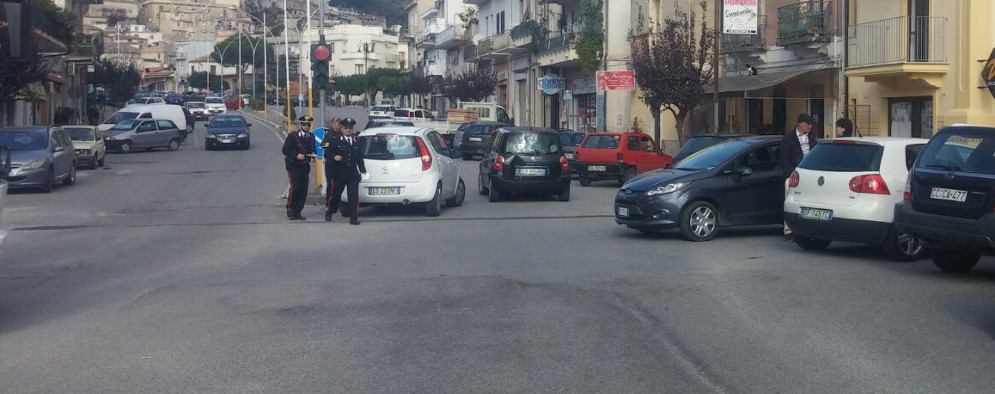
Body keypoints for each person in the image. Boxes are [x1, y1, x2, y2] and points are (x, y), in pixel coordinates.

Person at [781, 113, 818, 240]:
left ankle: (808, 229)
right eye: (808, 124)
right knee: (790, 200)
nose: (810, 127)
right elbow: (784, 159)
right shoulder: (789, 138)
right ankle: (788, 230)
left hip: (810, 174)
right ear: (800, 124)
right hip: (793, 174)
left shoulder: (812, 138)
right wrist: (789, 175)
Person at [325, 117, 366, 224]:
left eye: (350, 128)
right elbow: (327, 153)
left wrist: (363, 170)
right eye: (346, 128)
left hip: (352, 174)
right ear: (342, 129)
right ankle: (330, 211)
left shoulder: (357, 141)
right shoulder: (336, 140)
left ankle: (354, 218)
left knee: (353, 196)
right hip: (339, 174)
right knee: (336, 196)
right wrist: (334, 156)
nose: (348, 130)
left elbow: (359, 157)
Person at [282, 115, 316, 220]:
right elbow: (285, 150)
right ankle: (290, 209)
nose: (306, 126)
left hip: (304, 167)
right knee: (295, 188)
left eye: (308, 125)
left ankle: (298, 211)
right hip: (293, 166)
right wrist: (296, 155)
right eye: (304, 124)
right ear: (301, 125)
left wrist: (313, 156)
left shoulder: (311, 137)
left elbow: (311, 149)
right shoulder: (293, 136)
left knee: (303, 190)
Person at [321, 117, 344, 214]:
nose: (335, 125)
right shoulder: (329, 133)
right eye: (333, 123)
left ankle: (338, 204)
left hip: (341, 163)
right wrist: (325, 144)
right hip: (330, 162)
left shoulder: (343, 133)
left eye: (336, 123)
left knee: (340, 185)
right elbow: (323, 144)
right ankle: (328, 204)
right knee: (330, 185)